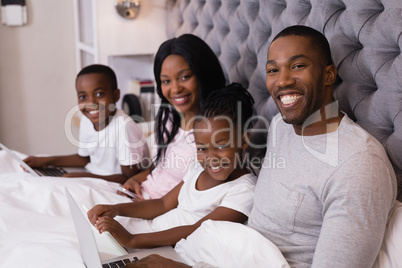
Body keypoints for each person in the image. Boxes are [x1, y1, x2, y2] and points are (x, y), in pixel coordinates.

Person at [125, 25, 398, 268]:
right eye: (272, 70)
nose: (282, 81)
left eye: (298, 66)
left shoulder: (359, 165)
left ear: (329, 75)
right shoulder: (281, 126)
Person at [87, 83, 257, 249]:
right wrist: (115, 210)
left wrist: (132, 240)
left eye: (221, 146)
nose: (211, 158)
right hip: (152, 233)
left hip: (166, 248)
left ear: (243, 140)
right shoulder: (197, 169)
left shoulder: (244, 190)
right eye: (202, 148)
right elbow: (162, 205)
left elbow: (198, 230)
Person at [121, 34, 226, 200]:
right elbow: (160, 167)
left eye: (185, 77)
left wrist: (139, 208)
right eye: (166, 81)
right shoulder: (170, 116)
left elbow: (187, 195)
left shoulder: (215, 130)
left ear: (203, 74)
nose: (175, 89)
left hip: (159, 210)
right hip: (142, 195)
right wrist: (135, 179)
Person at [23, 64, 149, 183]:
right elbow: (85, 158)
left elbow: (130, 178)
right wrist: (46, 161)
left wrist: (81, 177)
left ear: (115, 96)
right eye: (83, 97)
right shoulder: (87, 120)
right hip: (91, 175)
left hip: (113, 184)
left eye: (99, 94)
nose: (91, 103)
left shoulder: (124, 128)